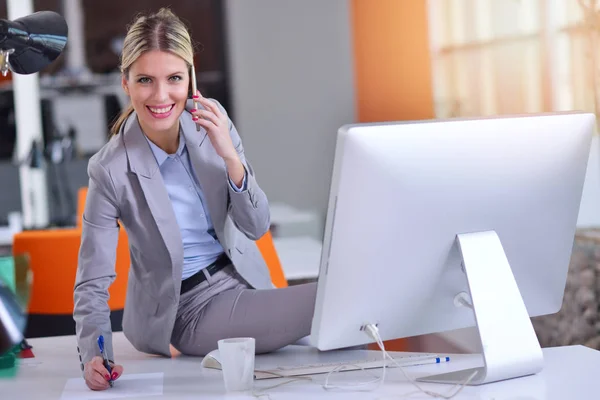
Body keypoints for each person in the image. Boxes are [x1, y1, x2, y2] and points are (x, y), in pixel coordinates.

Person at [73, 8, 317, 391]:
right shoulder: (109, 169)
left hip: (245, 283)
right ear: (125, 83)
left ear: (190, 77)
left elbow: (255, 226)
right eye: (145, 80)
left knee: (337, 334)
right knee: (328, 301)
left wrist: (230, 158)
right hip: (189, 310)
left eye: (174, 78)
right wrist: (94, 354)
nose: (160, 95)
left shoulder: (212, 121)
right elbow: (92, 280)